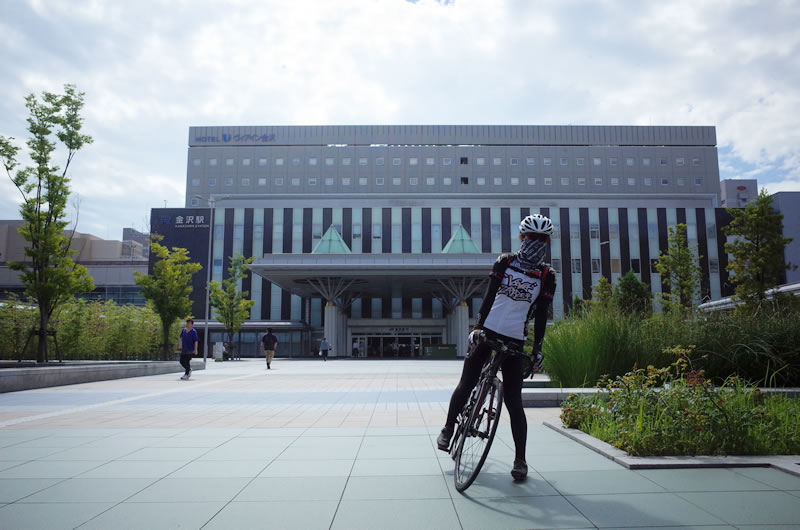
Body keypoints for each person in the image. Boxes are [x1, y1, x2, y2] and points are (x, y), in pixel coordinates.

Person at [436, 214, 557, 482]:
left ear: (547, 242)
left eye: (540, 239)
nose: (534, 243)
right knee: (466, 383)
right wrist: (477, 327)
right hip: (488, 332)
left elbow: (540, 316)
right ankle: (447, 428)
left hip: (515, 339)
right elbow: (489, 296)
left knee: (514, 401)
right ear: (521, 238)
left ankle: (520, 460)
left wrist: (537, 349)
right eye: (529, 237)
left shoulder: (547, 275)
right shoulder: (506, 262)